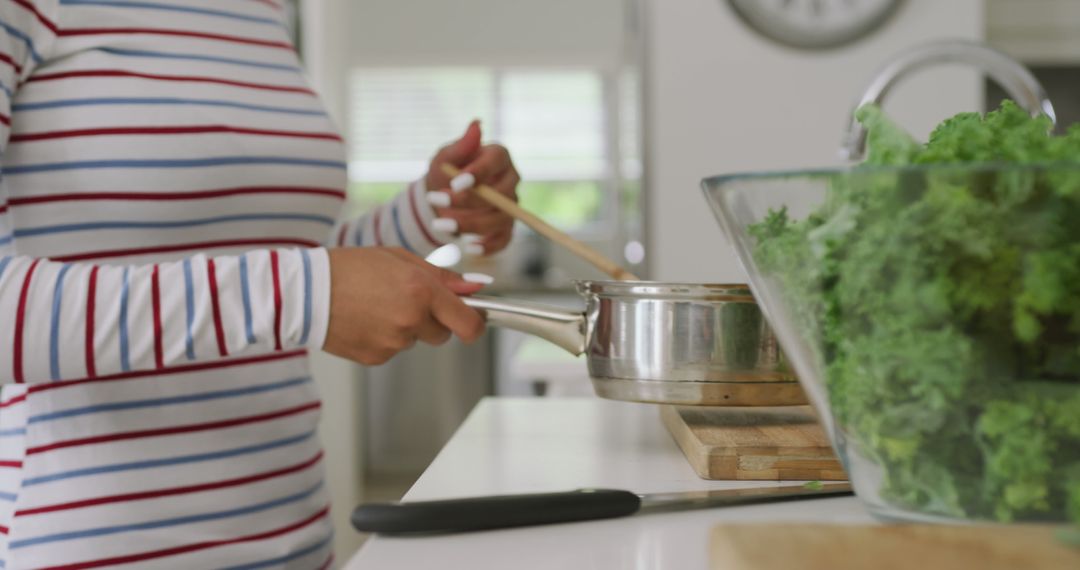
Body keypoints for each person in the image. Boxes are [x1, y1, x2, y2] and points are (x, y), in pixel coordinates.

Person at [0, 1, 519, 567]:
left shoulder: (260, 9)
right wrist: (302, 293)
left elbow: (267, 255)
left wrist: (427, 213)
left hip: (292, 530)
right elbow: (282, 287)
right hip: (91, 544)